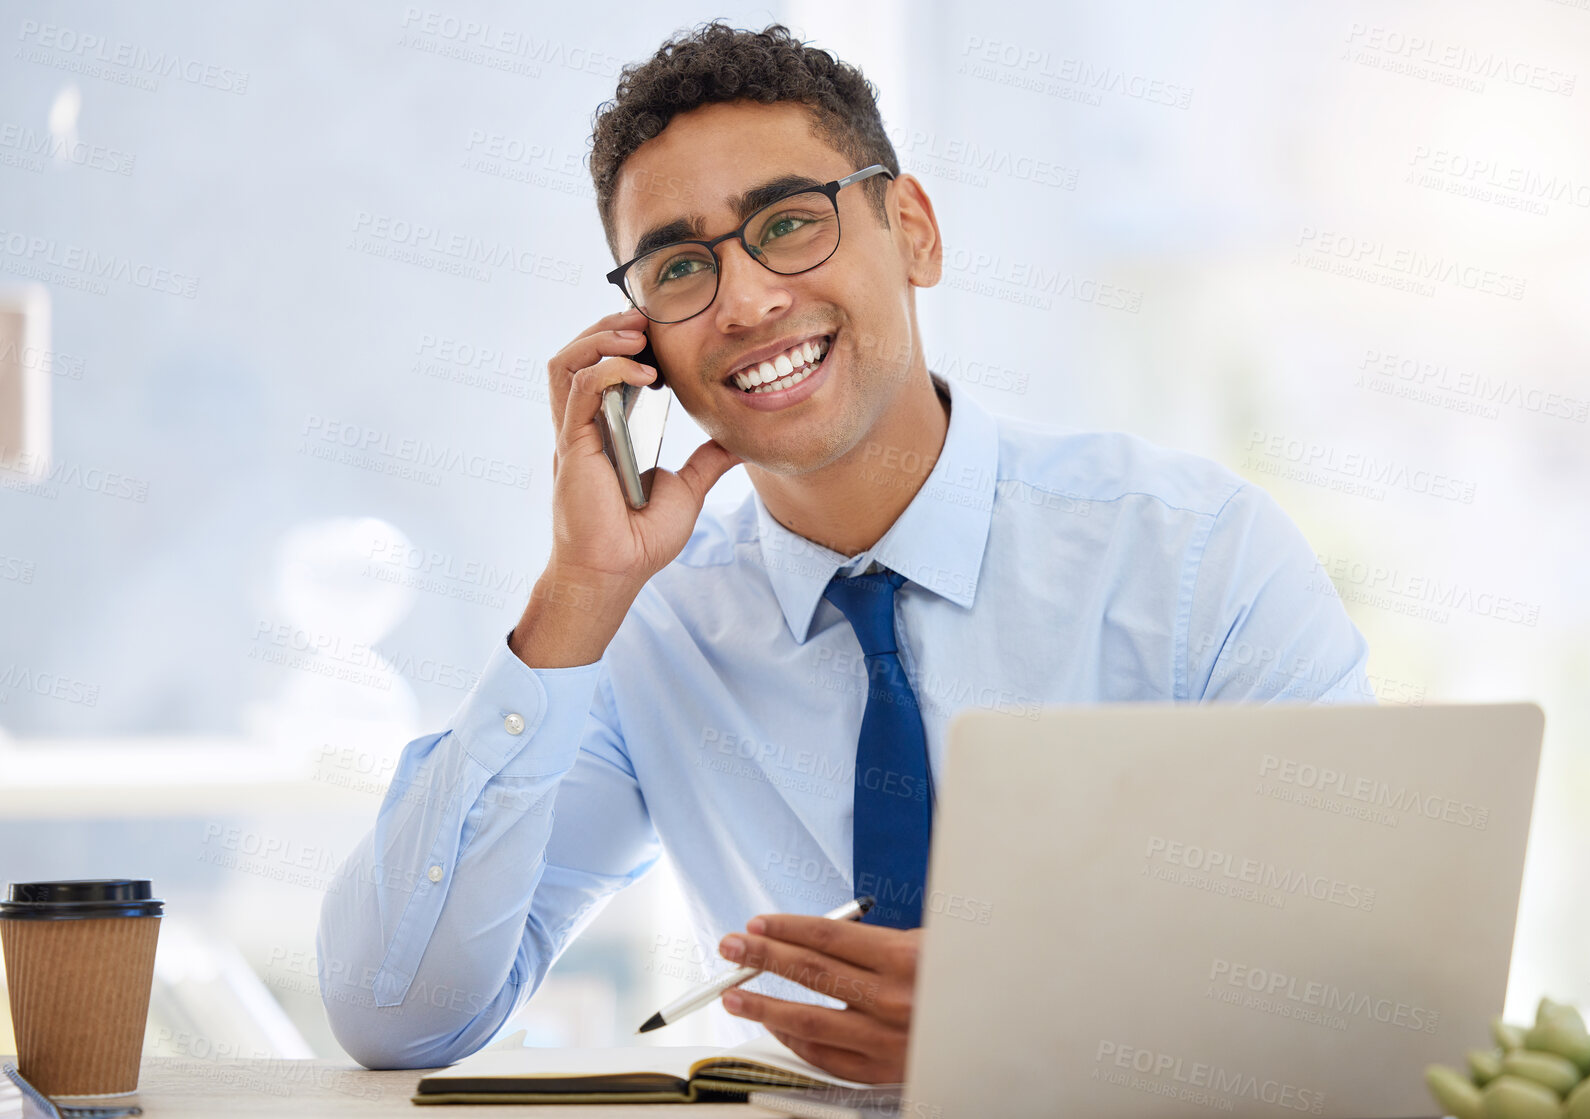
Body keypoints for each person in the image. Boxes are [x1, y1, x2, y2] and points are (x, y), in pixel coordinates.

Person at [316, 20, 1373, 1084]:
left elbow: (1361, 994)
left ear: (913, 229)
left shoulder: (1197, 557)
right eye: (679, 266)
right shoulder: (652, 629)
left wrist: (1018, 1020)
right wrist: (580, 591)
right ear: (641, 343)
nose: (745, 302)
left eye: (787, 222)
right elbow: (395, 1016)